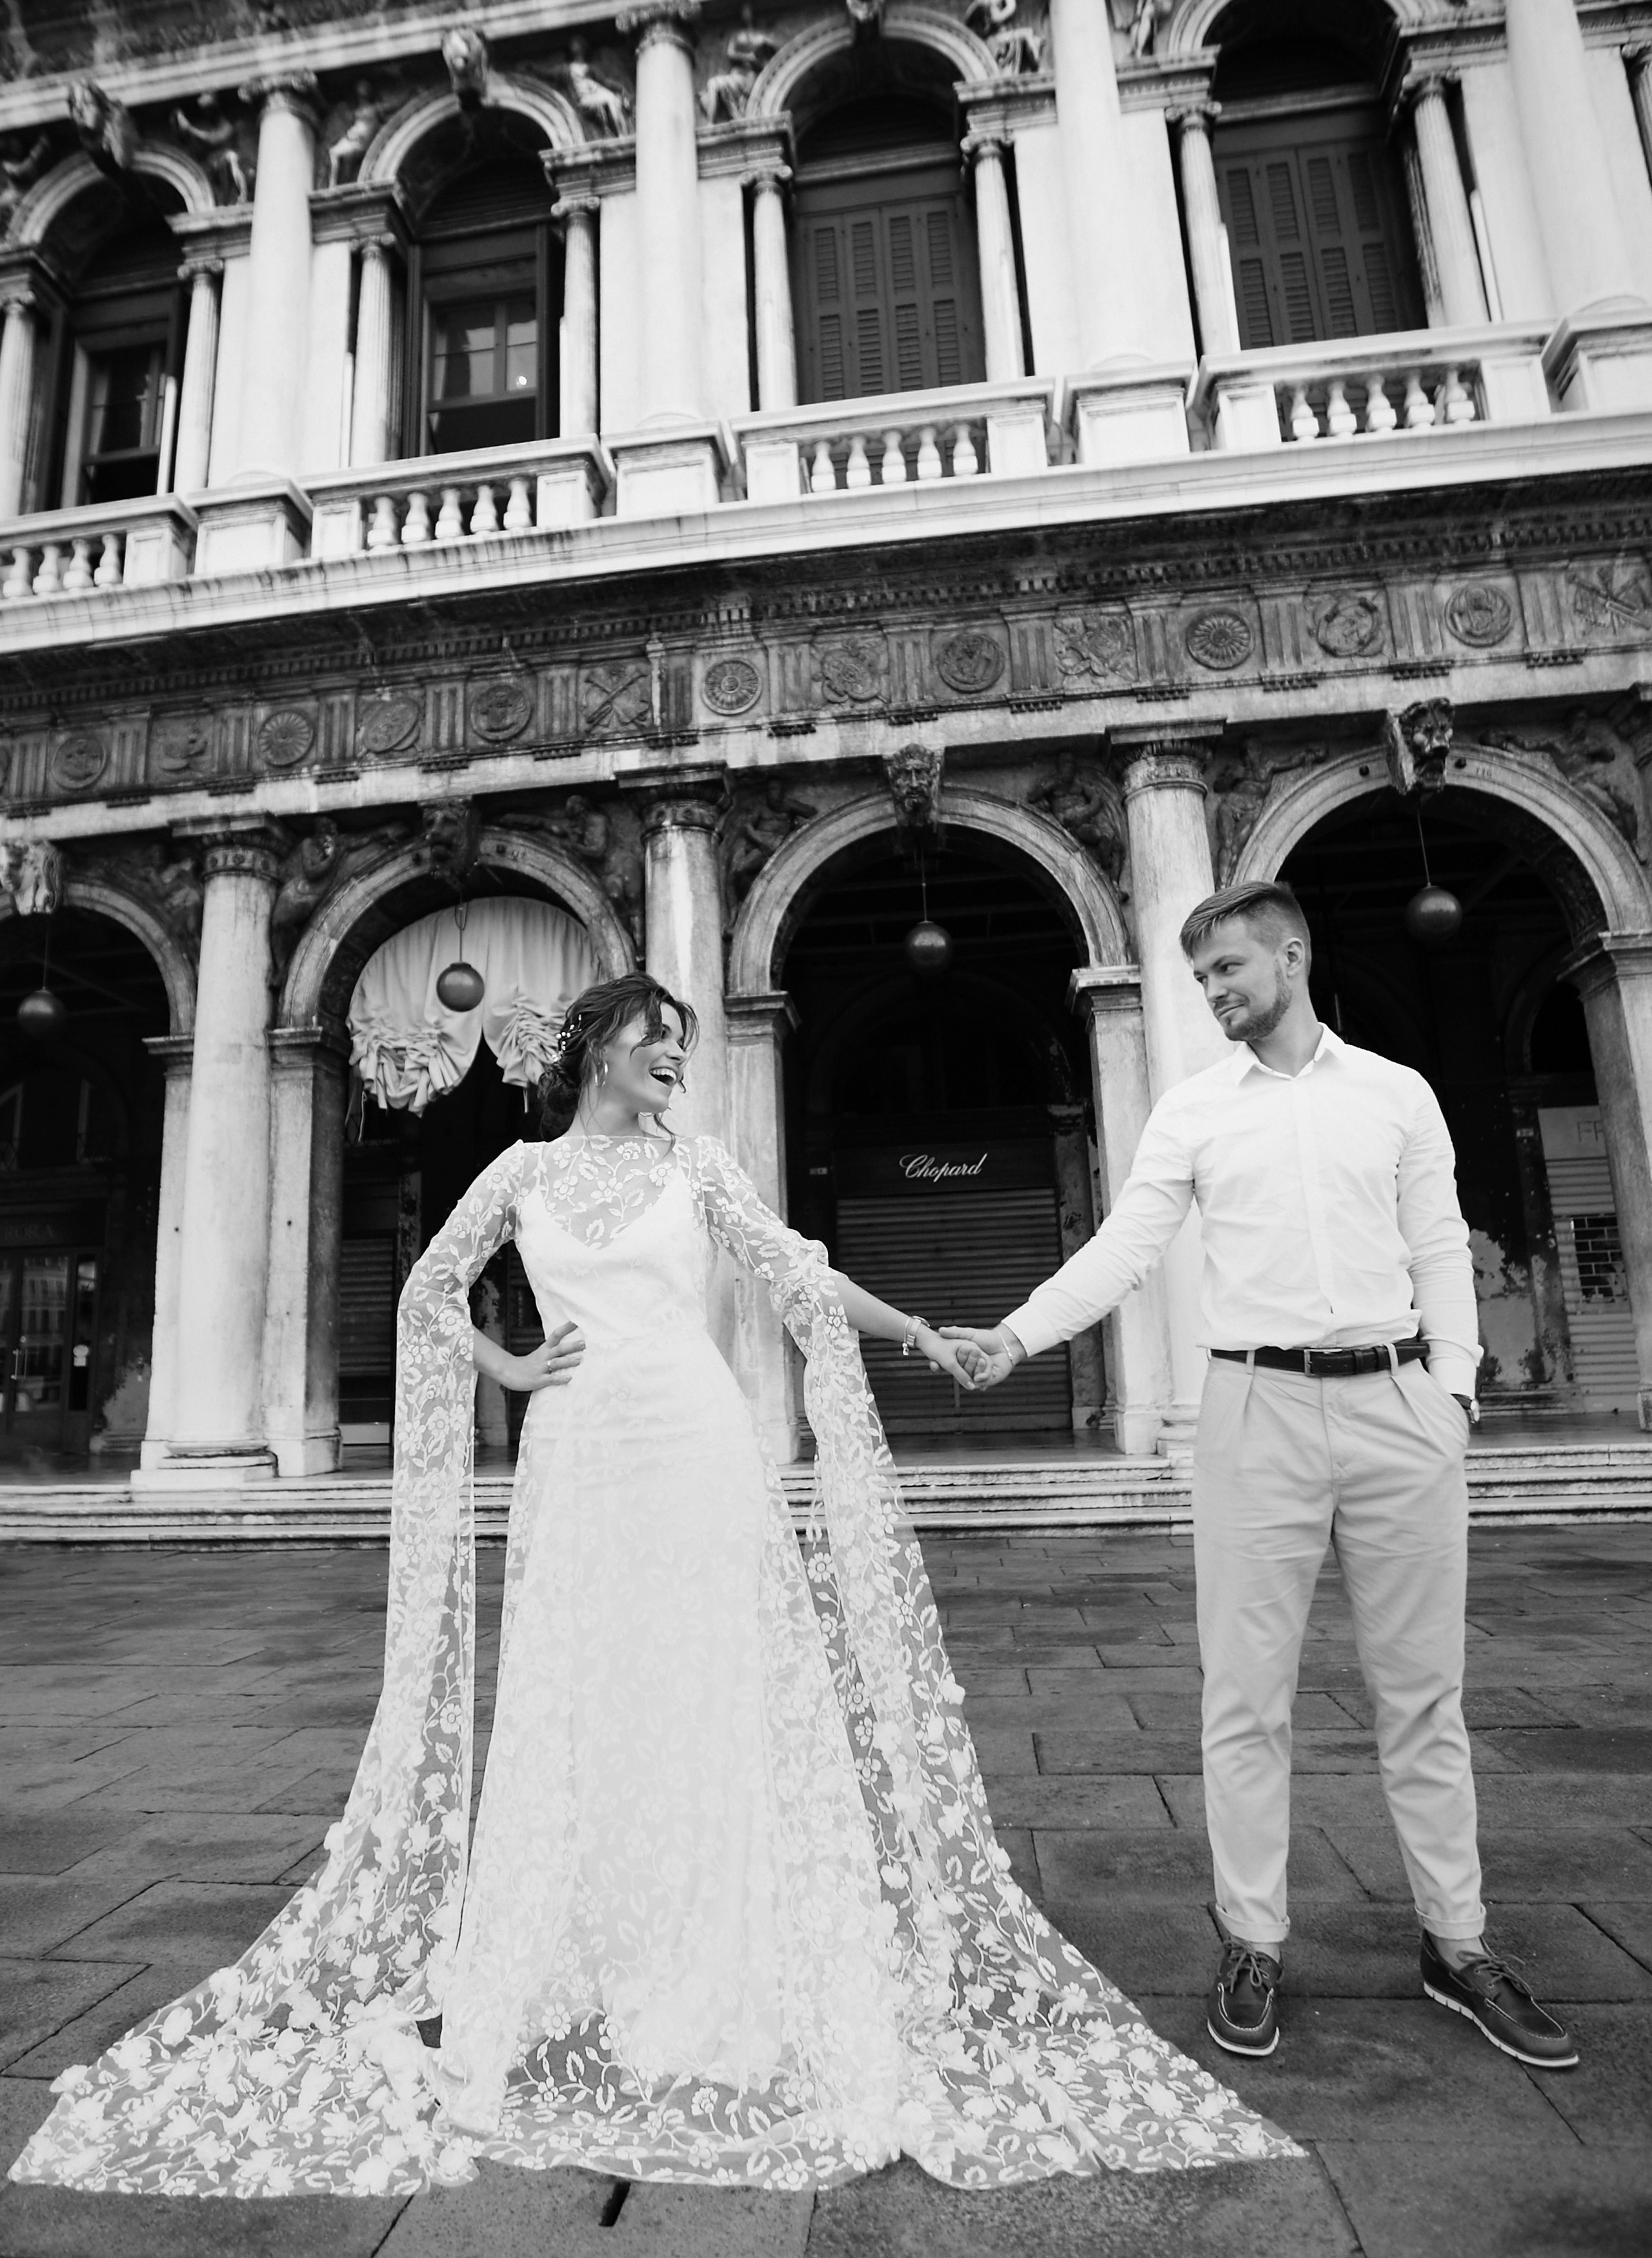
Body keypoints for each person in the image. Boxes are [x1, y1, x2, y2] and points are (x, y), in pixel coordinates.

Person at [14, 972, 1292, 2200]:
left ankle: (719, 1967)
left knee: (708, 1691)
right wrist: (508, 1370)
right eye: (656, 1037)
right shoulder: (519, 1173)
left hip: (693, 1442)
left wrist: (917, 1333)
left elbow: (798, 1273)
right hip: (575, 1457)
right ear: (595, 1051)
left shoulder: (701, 1167)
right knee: (589, 1702)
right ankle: (599, 1960)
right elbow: (421, 1294)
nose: (678, 1056)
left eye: (683, 1038)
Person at [947, 882, 1577, 2075]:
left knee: (1424, 1698)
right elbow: (1127, 1245)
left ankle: (1458, 1944)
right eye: (1201, 980)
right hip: (1252, 1409)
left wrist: (1453, 1394)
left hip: (1400, 1404)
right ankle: (1250, 1940)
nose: (1217, 993)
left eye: (1230, 969)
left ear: (1291, 956)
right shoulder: (1191, 1114)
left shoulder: (1398, 1094)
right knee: (1244, 1699)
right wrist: (1018, 1335)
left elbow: (1440, 1243)